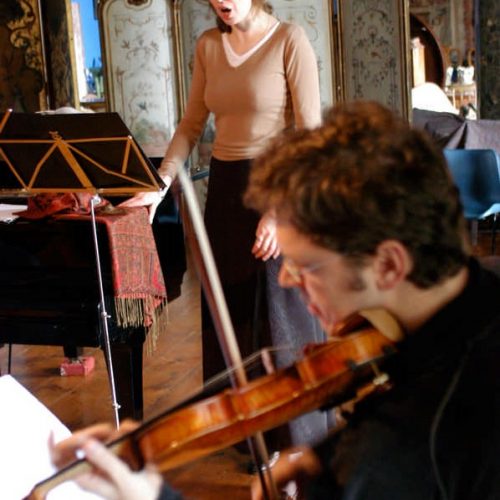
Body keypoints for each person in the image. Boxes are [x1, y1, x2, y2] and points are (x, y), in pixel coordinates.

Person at [49, 100, 500, 499]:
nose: (285, 276)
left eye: (307, 266)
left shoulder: (399, 448)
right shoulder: (475, 305)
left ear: (388, 264)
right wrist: (325, 460)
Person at [120, 0, 325, 447]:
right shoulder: (209, 45)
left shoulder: (290, 39)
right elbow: (191, 124)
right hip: (226, 191)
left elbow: (311, 137)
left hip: (277, 184)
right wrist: (159, 185)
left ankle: (296, 442)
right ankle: (248, 434)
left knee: (278, 317)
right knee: (230, 314)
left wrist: (279, 210)